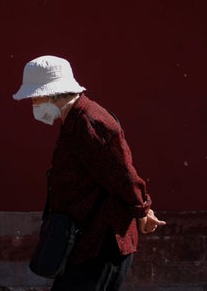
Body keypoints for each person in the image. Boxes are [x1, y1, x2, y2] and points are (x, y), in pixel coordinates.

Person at [12, 55, 165, 291]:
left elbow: (122, 174)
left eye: (34, 96)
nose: (32, 103)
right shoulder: (73, 119)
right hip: (83, 242)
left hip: (101, 243)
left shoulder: (89, 122)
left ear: (51, 93)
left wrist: (142, 210)